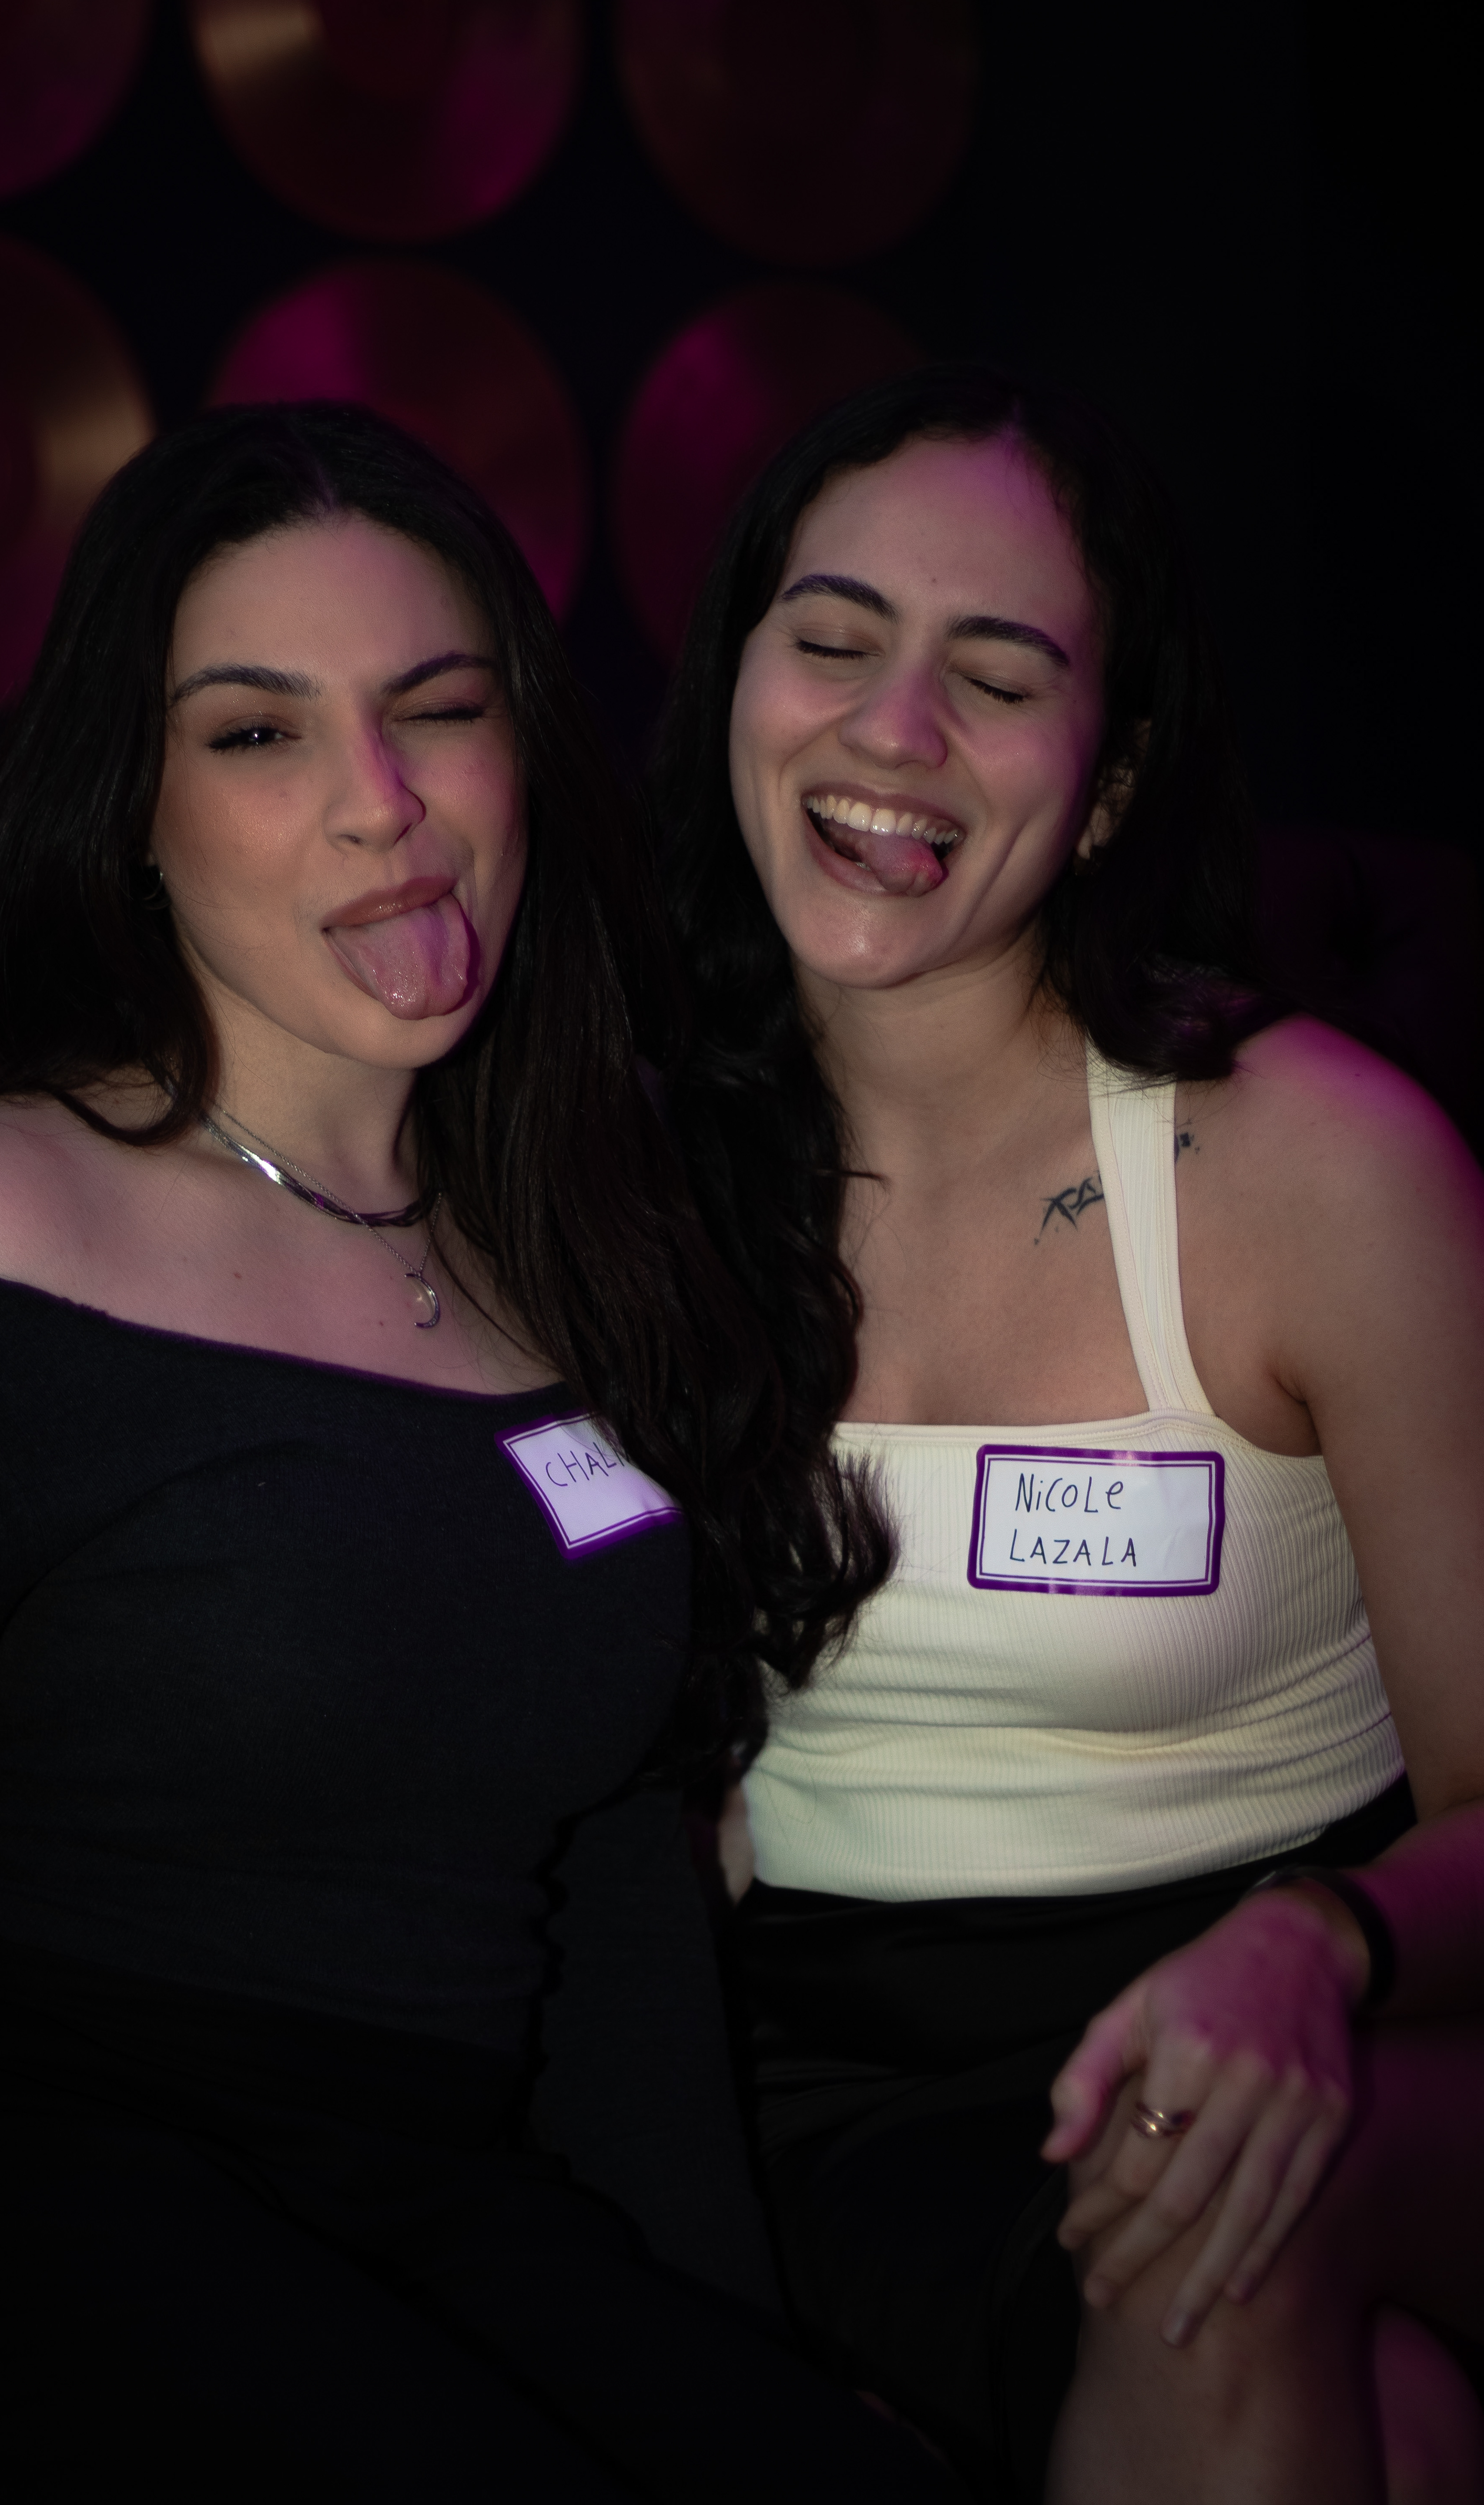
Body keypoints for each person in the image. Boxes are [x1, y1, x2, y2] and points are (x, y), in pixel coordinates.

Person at [0, 403, 954, 2501]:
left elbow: (609, 1890)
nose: (383, 803)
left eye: (440, 709)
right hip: (26, 2174)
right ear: (132, 807)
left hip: (430, 2193)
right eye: (260, 733)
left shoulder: (572, 1245)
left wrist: (742, 2367)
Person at [656, 363, 1484, 2505]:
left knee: (1209, 2204)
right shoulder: (605, 1172)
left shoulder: (1320, 1169)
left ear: (1105, 789)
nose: (895, 729)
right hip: (795, 2082)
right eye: (834, 638)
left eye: (998, 676)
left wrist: (1323, 1944)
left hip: (1286, 2012)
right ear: (740, 681)